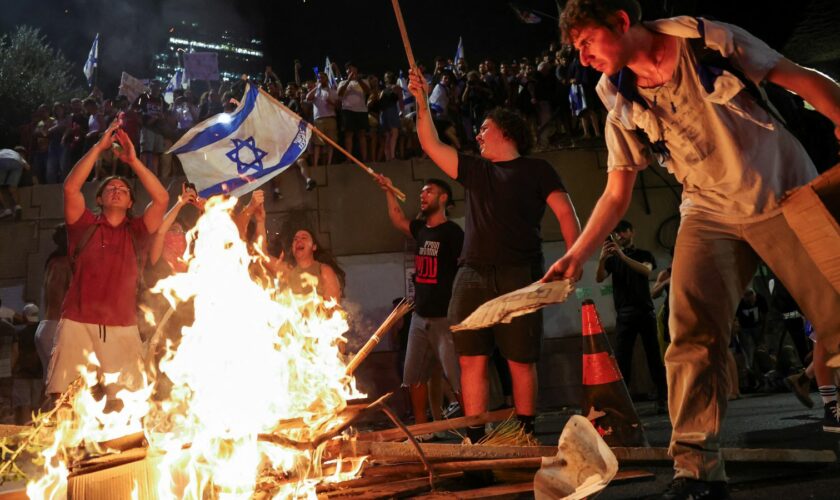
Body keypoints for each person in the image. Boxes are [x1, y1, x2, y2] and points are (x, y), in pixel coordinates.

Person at [546, 1, 840, 497]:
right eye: (577, 49)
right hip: (708, 212)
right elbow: (618, 190)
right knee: (689, 330)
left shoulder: (709, 42)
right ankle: (696, 471)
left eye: (587, 41)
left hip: (784, 197)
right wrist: (577, 253)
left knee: (836, 319)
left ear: (621, 21)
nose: (584, 57)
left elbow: (797, 77)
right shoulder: (614, 94)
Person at [406, 68, 581, 442]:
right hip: (472, 274)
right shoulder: (476, 170)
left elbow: (566, 213)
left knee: (520, 359)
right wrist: (421, 101)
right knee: (471, 358)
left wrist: (574, 257)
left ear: (506, 131)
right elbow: (431, 144)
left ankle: (524, 434)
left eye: (484, 129)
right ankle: (476, 438)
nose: (478, 135)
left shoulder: (537, 170)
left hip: (520, 273)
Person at [46, 119, 169, 410]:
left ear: (130, 203)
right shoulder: (83, 225)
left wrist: (133, 161)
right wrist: (99, 147)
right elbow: (71, 189)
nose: (116, 190)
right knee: (65, 402)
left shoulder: (137, 232)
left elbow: (162, 198)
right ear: (99, 199)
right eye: (110, 188)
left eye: (123, 190)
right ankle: (62, 454)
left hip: (123, 326)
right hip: (77, 321)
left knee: (124, 405)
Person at [375, 174, 463, 429]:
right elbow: (398, 219)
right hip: (419, 315)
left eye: (429, 192)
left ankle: (475, 429)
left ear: (443, 198)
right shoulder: (421, 229)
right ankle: (423, 431)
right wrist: (389, 190)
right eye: (422, 192)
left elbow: (465, 268)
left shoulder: (453, 232)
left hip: (444, 316)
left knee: (455, 378)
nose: (423, 196)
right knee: (413, 376)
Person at [596, 220, 666, 411]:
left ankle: (662, 398)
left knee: (654, 358)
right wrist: (603, 259)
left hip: (645, 312)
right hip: (624, 314)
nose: (619, 236)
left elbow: (645, 270)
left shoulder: (644, 255)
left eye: (623, 232)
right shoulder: (613, 258)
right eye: (616, 233)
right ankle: (623, 403)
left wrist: (620, 254)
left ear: (632, 232)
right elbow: (599, 277)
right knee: (621, 359)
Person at [35, 223, 73, 382]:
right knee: (60, 385)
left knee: (50, 384)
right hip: (55, 328)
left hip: (46, 327)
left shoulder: (52, 262)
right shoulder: (63, 265)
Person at [12, 304, 43, 424]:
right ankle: (34, 433)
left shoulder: (20, 333)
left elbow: (16, 352)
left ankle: (25, 431)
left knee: (24, 404)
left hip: (22, 375)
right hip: (39, 374)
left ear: (25, 317)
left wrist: (12, 369)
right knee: (36, 406)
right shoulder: (41, 331)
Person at [0, 146, 29, 219]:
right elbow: (27, 167)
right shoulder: (16, 155)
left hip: (2, 161)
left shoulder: (2, 152)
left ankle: (6, 210)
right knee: (13, 187)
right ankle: (17, 206)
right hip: (16, 162)